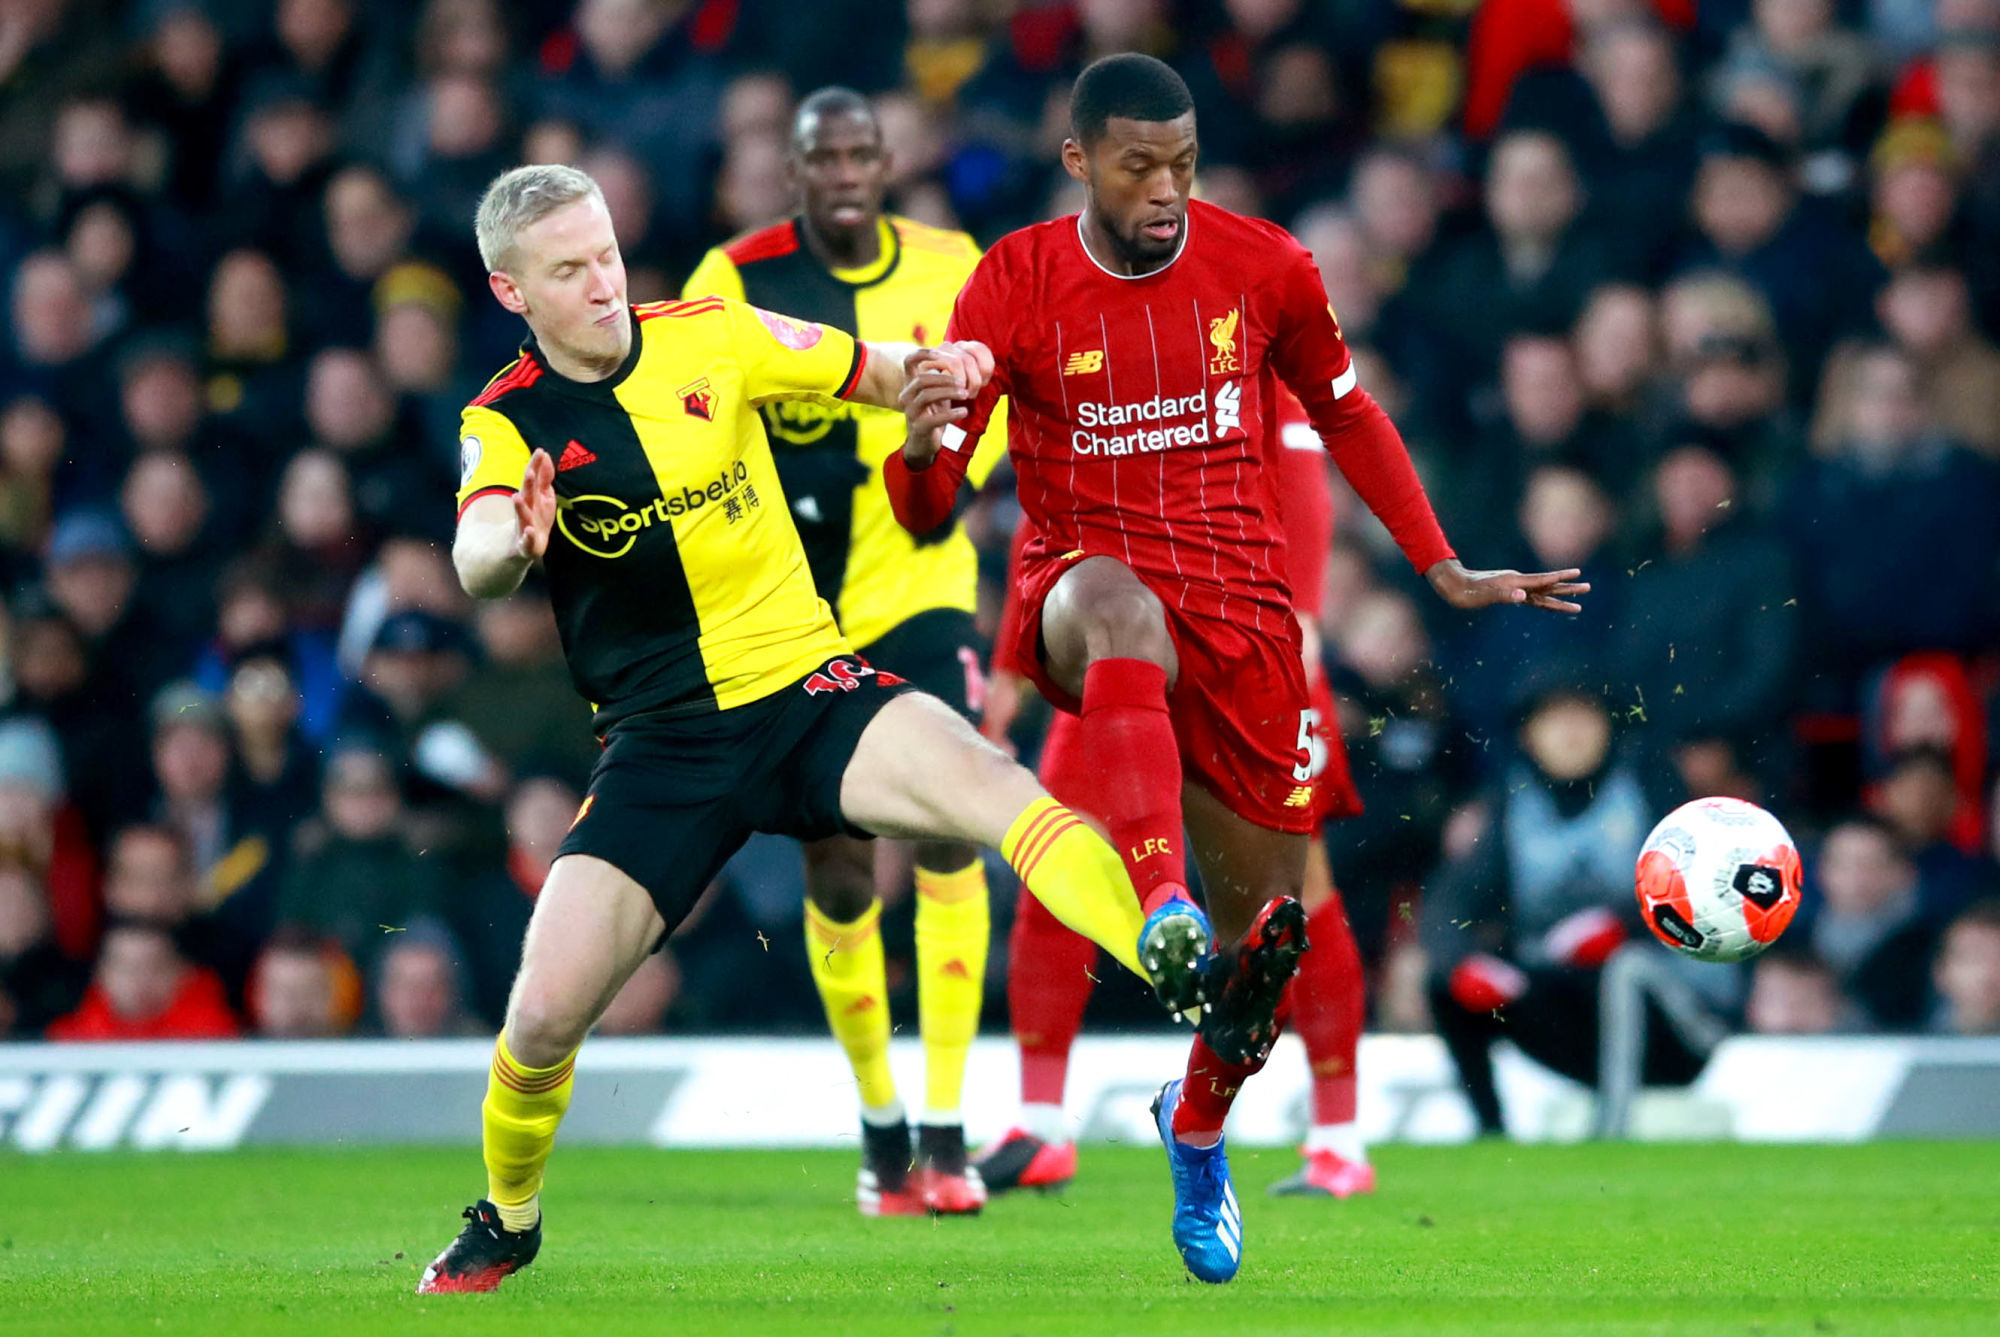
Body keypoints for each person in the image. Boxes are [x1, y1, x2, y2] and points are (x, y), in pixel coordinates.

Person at [418, 163, 1212, 1294]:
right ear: (512, 292)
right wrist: (514, 543)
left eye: (606, 254)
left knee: (991, 782)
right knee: (542, 1017)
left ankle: (1171, 957)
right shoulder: (502, 420)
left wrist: (945, 382)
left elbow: (876, 372)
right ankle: (507, 1216)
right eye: (568, 270)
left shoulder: (713, 336)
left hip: (804, 689)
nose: (602, 283)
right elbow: (478, 553)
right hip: (662, 746)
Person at [884, 54, 1585, 1283]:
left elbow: (1350, 418)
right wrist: (922, 441)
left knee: (1268, 944)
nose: (1164, 189)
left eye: (1183, 164)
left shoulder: (1264, 266)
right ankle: (1155, 907)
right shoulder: (1017, 279)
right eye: (1138, 164)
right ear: (1079, 162)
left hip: (1245, 629)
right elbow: (929, 507)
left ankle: (1194, 1121)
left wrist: (1437, 565)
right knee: (1116, 605)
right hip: (1082, 592)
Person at [680, 87, 1011, 1216]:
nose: (843, 174)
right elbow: (697, 424)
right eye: (822, 158)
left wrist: (938, 455)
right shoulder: (732, 279)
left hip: (913, 588)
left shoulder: (953, 264)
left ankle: (949, 1128)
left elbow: (968, 446)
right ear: (791, 171)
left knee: (946, 827)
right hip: (791, 612)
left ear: (888, 162)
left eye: (861, 153)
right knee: (832, 860)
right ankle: (880, 1131)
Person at [975, 391, 1378, 1202]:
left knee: (1294, 887)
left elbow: (1302, 472)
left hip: (1244, 642)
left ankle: (1339, 1135)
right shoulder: (1083, 335)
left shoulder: (1236, 306)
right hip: (1119, 654)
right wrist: (1013, 668)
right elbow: (1047, 513)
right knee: (1061, 862)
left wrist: (1299, 615)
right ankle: (1040, 1122)